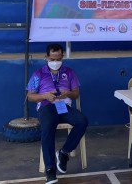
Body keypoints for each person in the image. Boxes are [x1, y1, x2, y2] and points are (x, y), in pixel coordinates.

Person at [27, 43, 88, 184]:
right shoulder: (38, 74)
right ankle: (50, 169)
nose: (55, 62)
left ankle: (64, 152)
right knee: (48, 128)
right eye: (52, 59)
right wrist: (45, 96)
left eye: (58, 59)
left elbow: (76, 94)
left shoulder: (70, 72)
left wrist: (68, 93)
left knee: (82, 121)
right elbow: (30, 96)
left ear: (62, 57)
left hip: (63, 106)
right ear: (46, 57)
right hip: (46, 106)